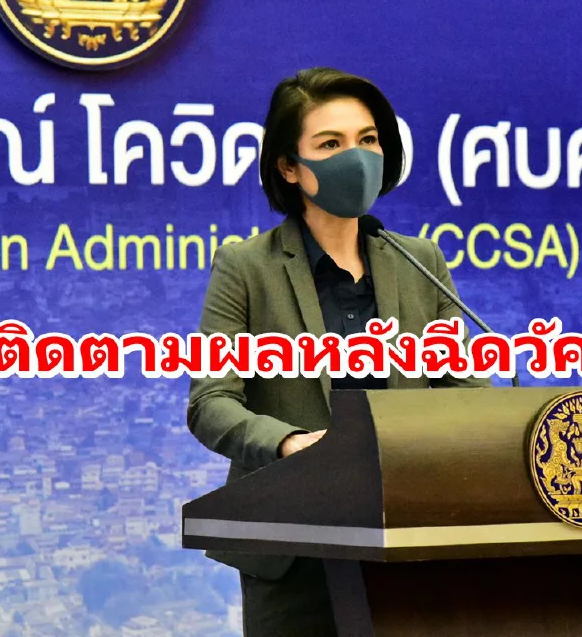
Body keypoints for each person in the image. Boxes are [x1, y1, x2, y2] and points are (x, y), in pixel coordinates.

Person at [187, 67, 491, 636]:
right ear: (289, 166)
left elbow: (466, 394)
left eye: (368, 139)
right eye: (331, 144)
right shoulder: (246, 268)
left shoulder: (420, 261)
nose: (356, 157)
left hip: (411, 540)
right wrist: (289, 443)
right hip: (294, 546)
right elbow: (211, 402)